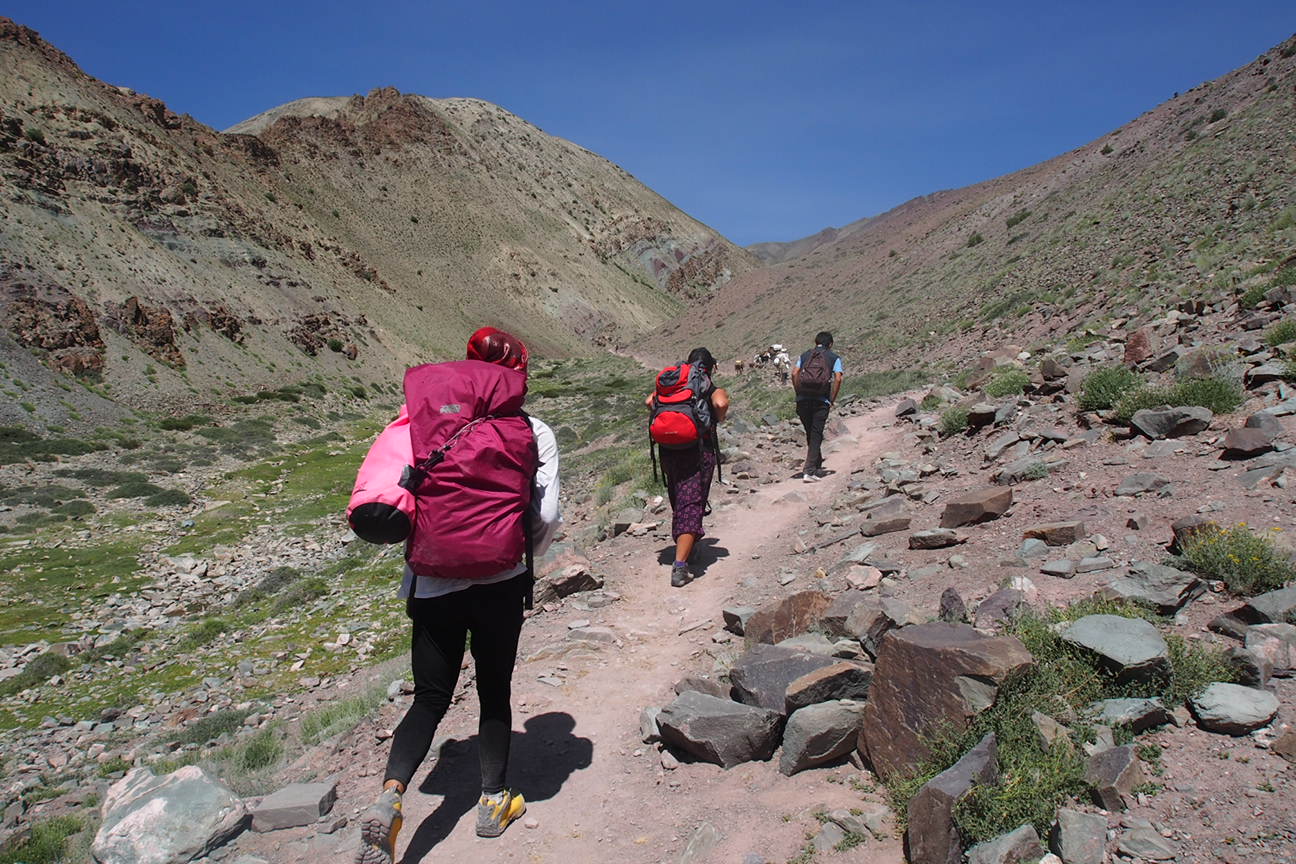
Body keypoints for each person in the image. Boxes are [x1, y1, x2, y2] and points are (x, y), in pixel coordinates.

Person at [355, 327, 561, 864]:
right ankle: (493, 803)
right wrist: (514, 552)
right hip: (500, 581)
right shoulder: (532, 428)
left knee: (429, 697)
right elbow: (547, 517)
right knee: (494, 691)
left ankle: (390, 798)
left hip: (432, 582)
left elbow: (394, 496)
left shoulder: (419, 420)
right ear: (517, 371)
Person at [645, 347, 729, 587]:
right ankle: (680, 566)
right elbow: (721, 403)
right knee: (692, 503)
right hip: (697, 451)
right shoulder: (705, 383)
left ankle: (687, 544)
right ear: (710, 367)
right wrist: (715, 420)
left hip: (668, 451)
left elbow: (649, 401)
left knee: (678, 497)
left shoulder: (674, 383)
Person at [790, 331, 843, 480]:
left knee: (810, 432)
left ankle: (816, 463)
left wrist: (798, 391)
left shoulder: (805, 355)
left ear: (815, 342)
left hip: (803, 399)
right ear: (830, 344)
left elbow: (794, 374)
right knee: (816, 434)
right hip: (821, 400)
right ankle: (809, 470)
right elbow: (838, 378)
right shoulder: (834, 357)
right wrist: (832, 398)